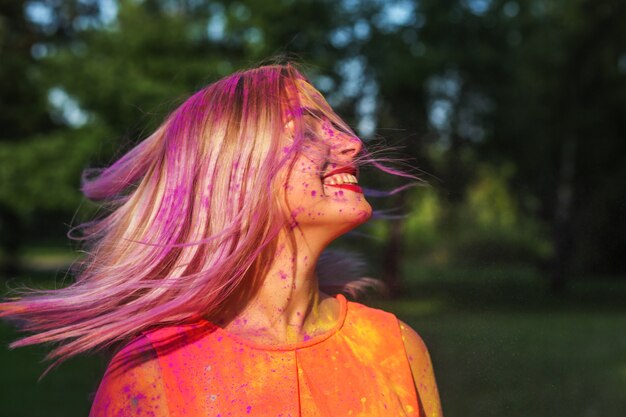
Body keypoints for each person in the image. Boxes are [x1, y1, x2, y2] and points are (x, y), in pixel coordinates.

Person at [0, 62, 442, 416]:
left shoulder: (396, 347)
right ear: (237, 172)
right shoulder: (151, 377)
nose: (352, 142)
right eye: (309, 128)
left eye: (336, 124)